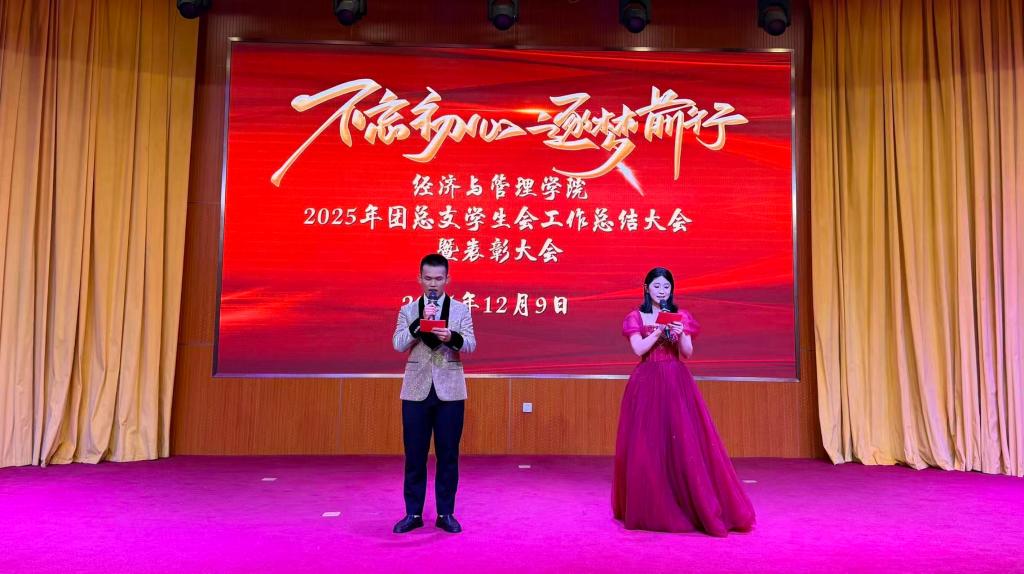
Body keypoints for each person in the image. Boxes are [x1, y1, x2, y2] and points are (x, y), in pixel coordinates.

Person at [612, 267, 755, 536]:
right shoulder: (636, 316)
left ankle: (688, 502)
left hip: (676, 382)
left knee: (683, 442)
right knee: (647, 444)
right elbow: (638, 349)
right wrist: (659, 331)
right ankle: (651, 506)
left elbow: (687, 353)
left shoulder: (681, 316)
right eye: (657, 286)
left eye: (666, 287)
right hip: (646, 382)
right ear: (647, 288)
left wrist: (679, 334)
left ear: (672, 290)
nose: (662, 291)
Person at [391, 254, 476, 534]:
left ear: (447, 279)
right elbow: (398, 343)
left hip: (450, 391)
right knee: (414, 455)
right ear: (419, 278)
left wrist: (451, 337)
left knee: (448, 455)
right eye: (428, 278)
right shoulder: (408, 310)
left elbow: (471, 344)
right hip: (415, 390)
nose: (433, 284)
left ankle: (445, 513)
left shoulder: (461, 310)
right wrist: (419, 324)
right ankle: (413, 513)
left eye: (438, 279)